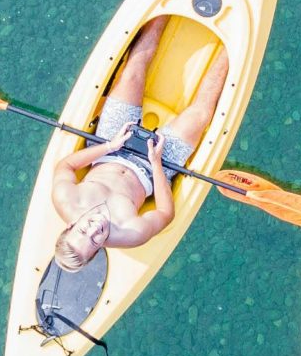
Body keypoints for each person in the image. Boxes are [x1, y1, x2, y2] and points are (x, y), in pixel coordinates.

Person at [49, 17, 230, 272]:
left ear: (70, 226)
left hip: (111, 145)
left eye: (83, 229)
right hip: (151, 167)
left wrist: (110, 146)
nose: (94, 229)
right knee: (199, 115)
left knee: (132, 72)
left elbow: (66, 165)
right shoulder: (130, 235)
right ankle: (229, 50)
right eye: (95, 240)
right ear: (99, 250)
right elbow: (166, 213)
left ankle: (163, 14)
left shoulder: (65, 199)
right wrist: (156, 164)